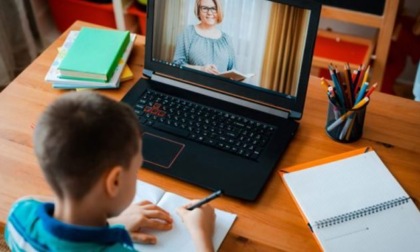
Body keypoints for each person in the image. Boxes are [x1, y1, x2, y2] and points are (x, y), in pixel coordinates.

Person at [4, 92, 215, 251]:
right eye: (136, 169)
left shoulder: (19, 214)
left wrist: (111, 224)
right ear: (114, 181)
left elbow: (40, 201)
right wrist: (200, 232)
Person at [173, 0, 236, 74]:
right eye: (205, 8)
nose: (209, 12)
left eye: (213, 8)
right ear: (198, 11)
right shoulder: (188, 33)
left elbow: (233, 71)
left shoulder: (227, 39)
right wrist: (201, 69)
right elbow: (177, 65)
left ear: (218, 10)